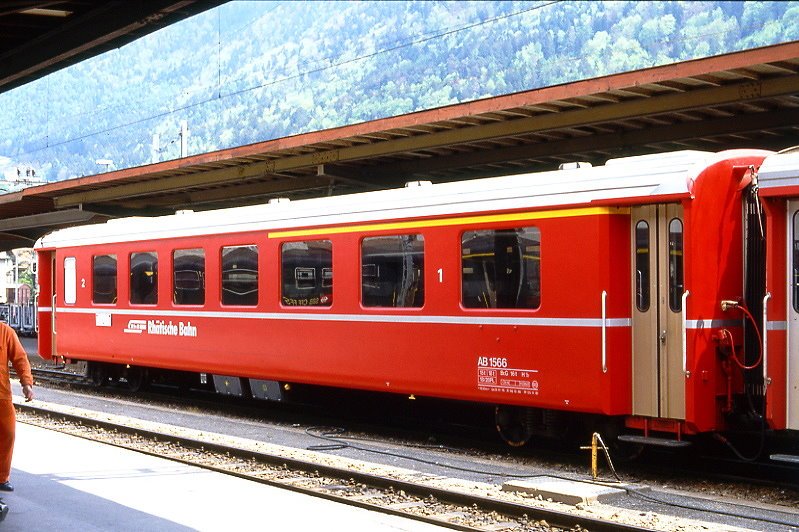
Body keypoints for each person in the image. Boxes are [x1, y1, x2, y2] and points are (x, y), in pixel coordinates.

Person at [0, 322, 33, 492]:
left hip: (2, 395)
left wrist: (26, 383)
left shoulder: (6, 332)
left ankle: (2, 478)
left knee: (8, 433)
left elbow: (20, 358)